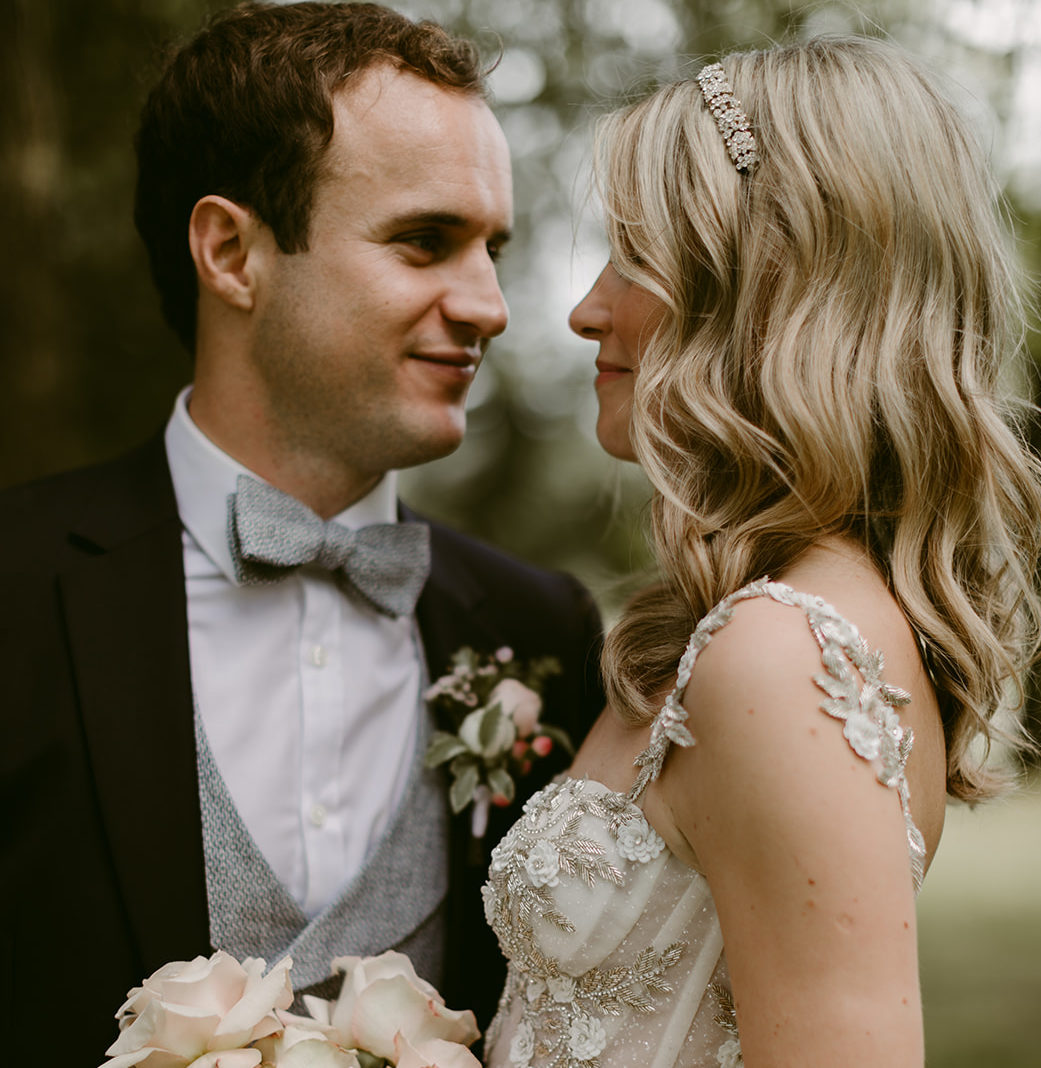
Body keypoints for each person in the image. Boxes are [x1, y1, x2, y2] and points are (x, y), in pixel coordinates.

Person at [0, 4, 604, 1063]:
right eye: (426, 241)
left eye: (492, 250)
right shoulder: (16, 584)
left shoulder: (536, 628)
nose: (490, 305)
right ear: (231, 252)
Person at [481, 35, 1041, 1067]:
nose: (584, 310)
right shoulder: (751, 621)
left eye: (634, 259)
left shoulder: (781, 656)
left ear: (764, 295)